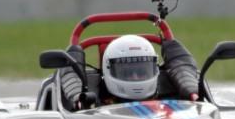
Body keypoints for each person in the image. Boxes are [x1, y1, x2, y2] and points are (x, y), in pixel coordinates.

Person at [60, 34, 201, 109]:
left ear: (155, 69)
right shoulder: (88, 105)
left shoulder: (177, 97)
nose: (135, 78)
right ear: (107, 71)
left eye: (141, 71)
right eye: (127, 73)